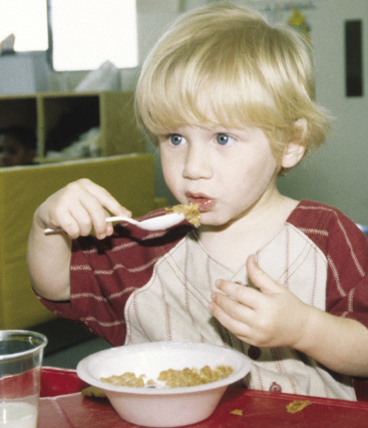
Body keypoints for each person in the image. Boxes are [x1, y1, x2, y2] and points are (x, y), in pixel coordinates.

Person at [27, 3, 368, 400]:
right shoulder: (148, 244)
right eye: (175, 138)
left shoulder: (326, 236)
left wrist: (306, 329)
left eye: (222, 138)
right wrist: (47, 224)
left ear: (290, 144)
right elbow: (56, 286)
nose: (192, 167)